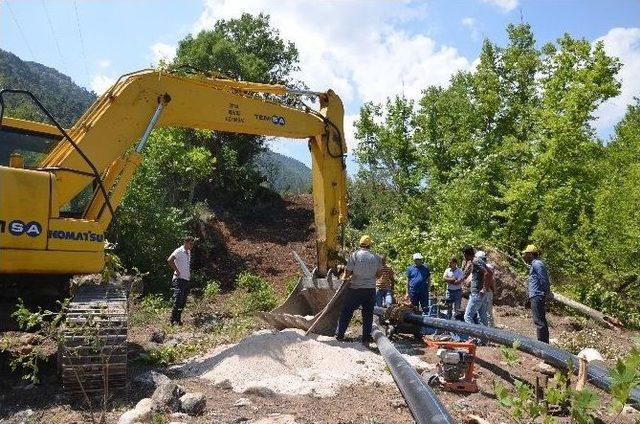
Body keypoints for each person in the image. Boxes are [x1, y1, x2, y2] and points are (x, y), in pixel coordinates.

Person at [335, 235, 382, 344]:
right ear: (370, 245)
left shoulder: (354, 255)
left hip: (355, 289)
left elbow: (347, 272)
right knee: (368, 315)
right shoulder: (376, 257)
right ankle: (365, 339)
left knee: (346, 312)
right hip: (370, 290)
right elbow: (379, 275)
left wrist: (344, 277)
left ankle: (340, 335)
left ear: (360, 244)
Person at [522, 244, 550, 343]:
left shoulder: (537, 263)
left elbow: (544, 279)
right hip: (535, 295)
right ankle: (543, 344)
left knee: (539, 322)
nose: (524, 256)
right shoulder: (535, 264)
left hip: (538, 295)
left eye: (526, 254)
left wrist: (545, 293)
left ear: (530, 254)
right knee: (539, 321)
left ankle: (543, 346)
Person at [167, 236, 195, 326]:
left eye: (192, 243)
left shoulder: (189, 252)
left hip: (186, 279)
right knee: (178, 299)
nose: (192, 245)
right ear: (185, 242)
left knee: (183, 301)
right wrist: (177, 270)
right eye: (190, 243)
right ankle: (172, 320)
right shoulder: (179, 250)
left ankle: (178, 320)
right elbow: (170, 260)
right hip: (179, 279)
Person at [464, 249, 489, 326]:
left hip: (477, 293)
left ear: (466, 254)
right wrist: (485, 289)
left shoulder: (475, 261)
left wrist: (484, 288)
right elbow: (490, 273)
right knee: (482, 318)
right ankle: (485, 337)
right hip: (481, 294)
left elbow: (486, 273)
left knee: (467, 317)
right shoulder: (479, 261)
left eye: (464, 255)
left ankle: (474, 336)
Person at [475, 251, 496, 327]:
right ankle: (484, 328)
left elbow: (491, 280)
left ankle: (492, 331)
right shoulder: (481, 267)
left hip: (486, 292)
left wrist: (491, 290)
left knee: (487, 312)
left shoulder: (488, 267)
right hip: (482, 292)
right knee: (481, 312)